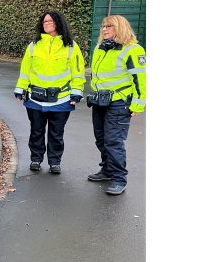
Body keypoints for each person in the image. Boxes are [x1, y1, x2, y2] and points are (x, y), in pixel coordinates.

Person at [13, 11, 85, 174]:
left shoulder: (71, 47)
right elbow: (25, 71)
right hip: (35, 98)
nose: (46, 23)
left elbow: (78, 73)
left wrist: (76, 93)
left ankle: (54, 161)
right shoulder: (33, 46)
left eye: (50, 21)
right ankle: (36, 159)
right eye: (44, 21)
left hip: (61, 99)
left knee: (56, 133)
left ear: (59, 23)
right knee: (36, 131)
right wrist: (20, 89)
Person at [86, 15, 146, 195]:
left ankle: (119, 178)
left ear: (120, 27)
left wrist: (137, 105)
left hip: (119, 103)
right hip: (99, 101)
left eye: (109, 26)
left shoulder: (132, 50)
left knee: (113, 141)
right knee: (101, 139)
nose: (104, 29)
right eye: (103, 26)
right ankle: (106, 170)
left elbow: (140, 80)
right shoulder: (100, 48)